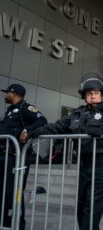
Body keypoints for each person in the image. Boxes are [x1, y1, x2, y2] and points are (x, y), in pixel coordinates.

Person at [28, 72, 103, 230]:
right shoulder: (77, 113)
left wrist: (81, 129)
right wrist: (32, 132)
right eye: (89, 93)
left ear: (102, 95)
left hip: (102, 164)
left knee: (92, 208)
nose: (93, 96)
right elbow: (57, 126)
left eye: (96, 93)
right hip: (84, 164)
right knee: (82, 206)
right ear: (84, 96)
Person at [0, 83, 47, 230]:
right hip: (5, 156)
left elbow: (42, 121)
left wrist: (27, 130)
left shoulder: (25, 108)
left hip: (17, 157)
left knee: (13, 193)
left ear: (14, 94)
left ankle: (17, 226)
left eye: (7, 93)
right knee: (3, 193)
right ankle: (5, 224)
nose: (5, 95)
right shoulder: (9, 110)